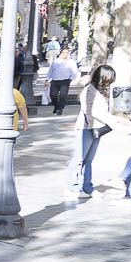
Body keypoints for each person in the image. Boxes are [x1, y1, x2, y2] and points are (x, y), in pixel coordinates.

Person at [68, 65, 116, 199]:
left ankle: (87, 187)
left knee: (88, 160)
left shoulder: (97, 90)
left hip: (94, 129)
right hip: (86, 128)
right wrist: (112, 122)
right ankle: (73, 188)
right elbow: (90, 111)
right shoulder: (89, 90)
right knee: (79, 159)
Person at [47, 48, 79, 115]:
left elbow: (74, 71)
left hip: (65, 80)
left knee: (63, 95)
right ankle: (56, 106)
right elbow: (51, 70)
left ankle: (60, 109)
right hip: (55, 80)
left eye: (66, 52)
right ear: (60, 53)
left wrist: (71, 79)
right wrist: (47, 79)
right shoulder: (55, 61)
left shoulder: (71, 62)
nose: (65, 54)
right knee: (52, 95)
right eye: (63, 52)